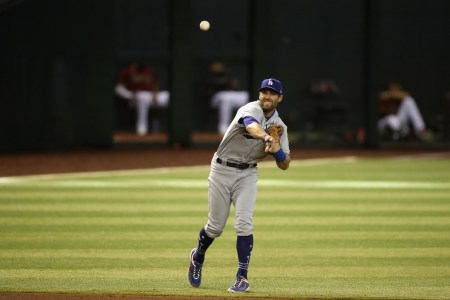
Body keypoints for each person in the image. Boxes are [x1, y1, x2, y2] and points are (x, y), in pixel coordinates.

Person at [188, 78, 291, 293]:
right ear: (259, 94)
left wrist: (278, 151)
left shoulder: (280, 127)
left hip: (248, 174)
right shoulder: (249, 109)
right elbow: (251, 126)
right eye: (264, 91)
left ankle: (242, 276)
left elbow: (285, 164)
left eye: (272, 93)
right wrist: (266, 138)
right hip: (221, 170)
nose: (267, 96)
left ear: (280, 98)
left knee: (244, 224)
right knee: (215, 227)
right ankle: (197, 257)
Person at [115, 62, 170, 135]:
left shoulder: (149, 70)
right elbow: (118, 88)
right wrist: (129, 95)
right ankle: (142, 129)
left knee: (168, 95)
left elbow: (155, 84)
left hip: (149, 96)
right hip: (135, 98)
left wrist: (155, 93)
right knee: (142, 96)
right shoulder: (127, 71)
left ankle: (169, 127)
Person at [206, 61, 249, 135]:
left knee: (246, 96)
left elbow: (234, 84)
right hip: (216, 97)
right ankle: (223, 127)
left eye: (219, 65)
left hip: (229, 95)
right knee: (225, 99)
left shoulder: (227, 74)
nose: (217, 67)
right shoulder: (209, 76)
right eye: (215, 65)